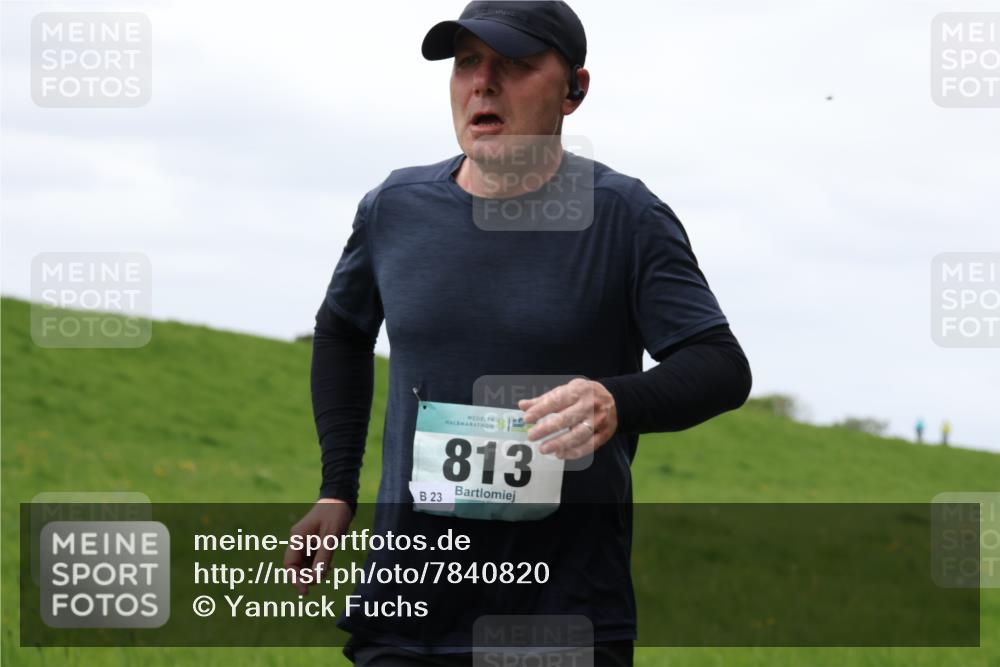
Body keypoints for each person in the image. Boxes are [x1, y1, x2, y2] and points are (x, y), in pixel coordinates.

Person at [285, 2, 752, 665]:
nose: (483, 82)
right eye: (468, 62)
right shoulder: (395, 208)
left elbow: (720, 364)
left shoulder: (626, 217)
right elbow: (341, 331)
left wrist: (616, 403)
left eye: (516, 65)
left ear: (574, 91)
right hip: (406, 614)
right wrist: (337, 488)